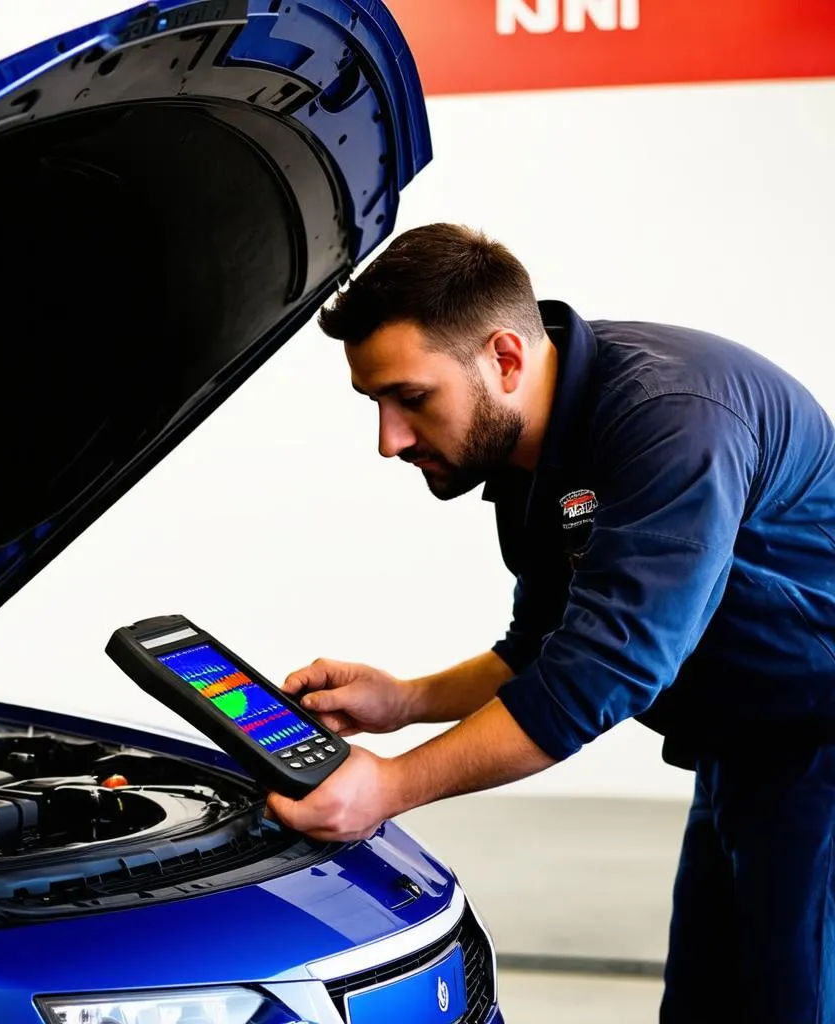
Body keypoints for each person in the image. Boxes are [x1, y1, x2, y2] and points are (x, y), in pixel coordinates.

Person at [264, 223, 835, 1023]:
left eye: (412, 398)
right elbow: (541, 650)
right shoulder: (535, 457)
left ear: (503, 357)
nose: (389, 441)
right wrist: (404, 700)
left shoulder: (669, 419)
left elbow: (603, 672)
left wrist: (388, 787)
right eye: (376, 402)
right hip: (748, 749)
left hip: (820, 744)